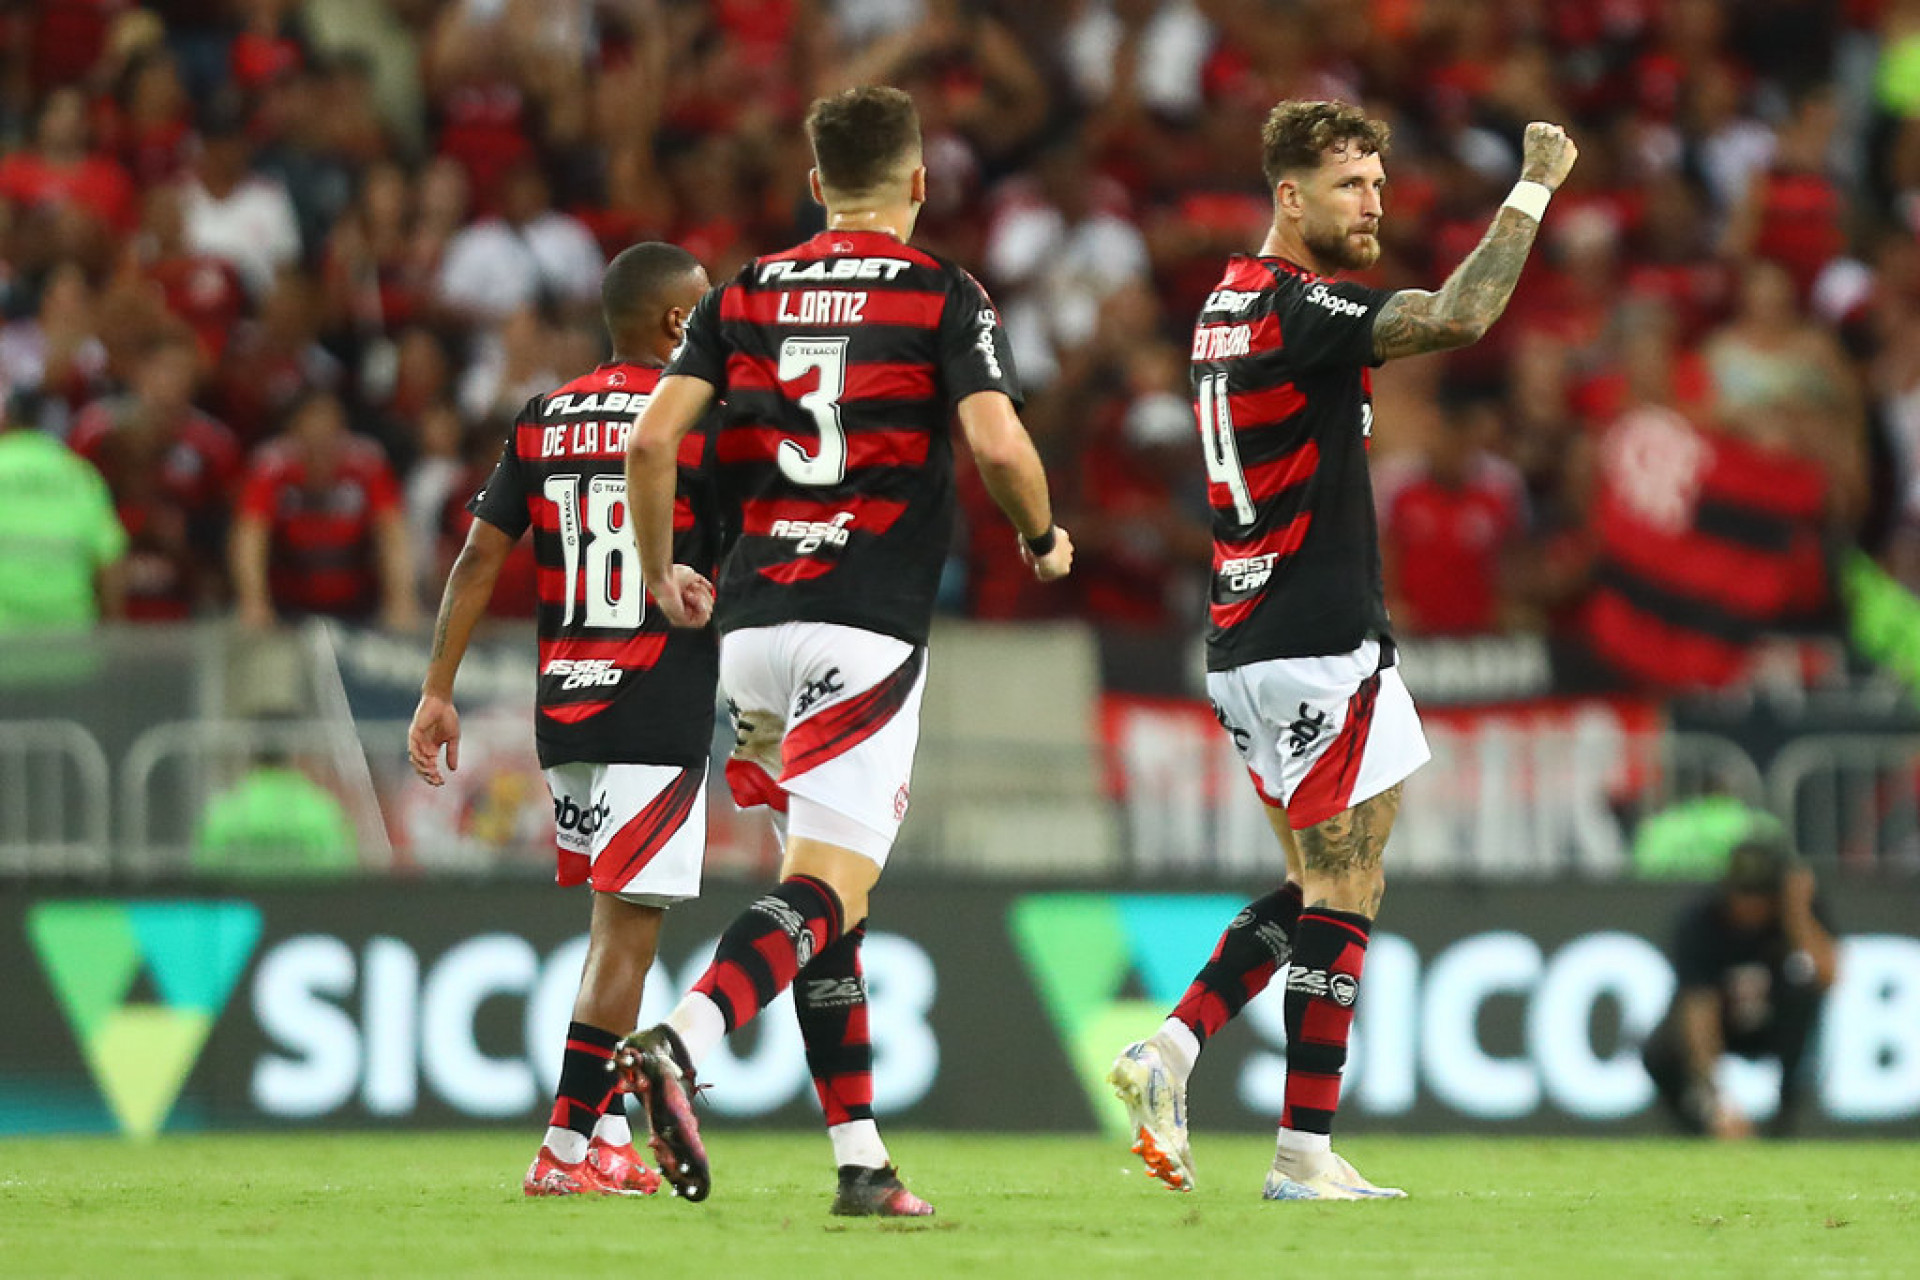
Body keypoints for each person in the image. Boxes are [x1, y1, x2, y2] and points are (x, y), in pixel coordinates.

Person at [1107, 100, 1578, 1201]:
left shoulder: (1224, 302)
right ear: (1289, 196)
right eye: (1349, 187)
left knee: (1318, 881)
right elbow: (1458, 316)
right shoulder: (1297, 304)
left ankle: (1172, 1050)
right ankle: (1300, 1153)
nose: (1373, 204)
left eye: (1378, 183)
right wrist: (1535, 186)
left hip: (1243, 638)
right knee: (1346, 885)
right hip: (1318, 635)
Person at [618, 86, 1073, 1212]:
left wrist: (659, 569)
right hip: (863, 620)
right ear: (918, 182)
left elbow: (651, 440)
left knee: (827, 903)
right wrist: (1041, 534)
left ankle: (861, 1161)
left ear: (817, 184)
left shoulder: (742, 291)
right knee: (829, 885)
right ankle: (682, 1037)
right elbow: (996, 442)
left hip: (751, 625)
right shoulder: (943, 292)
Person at [407, 242, 720, 1198]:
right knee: (628, 935)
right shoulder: (695, 416)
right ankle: (566, 1149)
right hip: (654, 698)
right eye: (705, 306)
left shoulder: (544, 416)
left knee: (608, 925)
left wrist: (437, 689)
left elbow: (477, 557)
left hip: (568, 704)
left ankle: (601, 1141)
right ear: (676, 322)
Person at [1640, 838, 1838, 1139]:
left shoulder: (1799, 912)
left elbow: (1828, 976)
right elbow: (1699, 1011)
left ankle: (1785, 1127)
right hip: (1726, 1022)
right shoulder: (1701, 921)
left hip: (1778, 1025)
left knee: (1804, 994)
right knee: (1660, 1050)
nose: (1748, 905)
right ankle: (1704, 1134)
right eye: (1741, 893)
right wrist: (1717, 1101)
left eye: (1758, 894)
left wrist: (1797, 914)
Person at [0, 388, 127, 635]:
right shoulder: (79, 474)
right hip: (69, 636)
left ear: (8, 420)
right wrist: (113, 635)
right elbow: (111, 559)